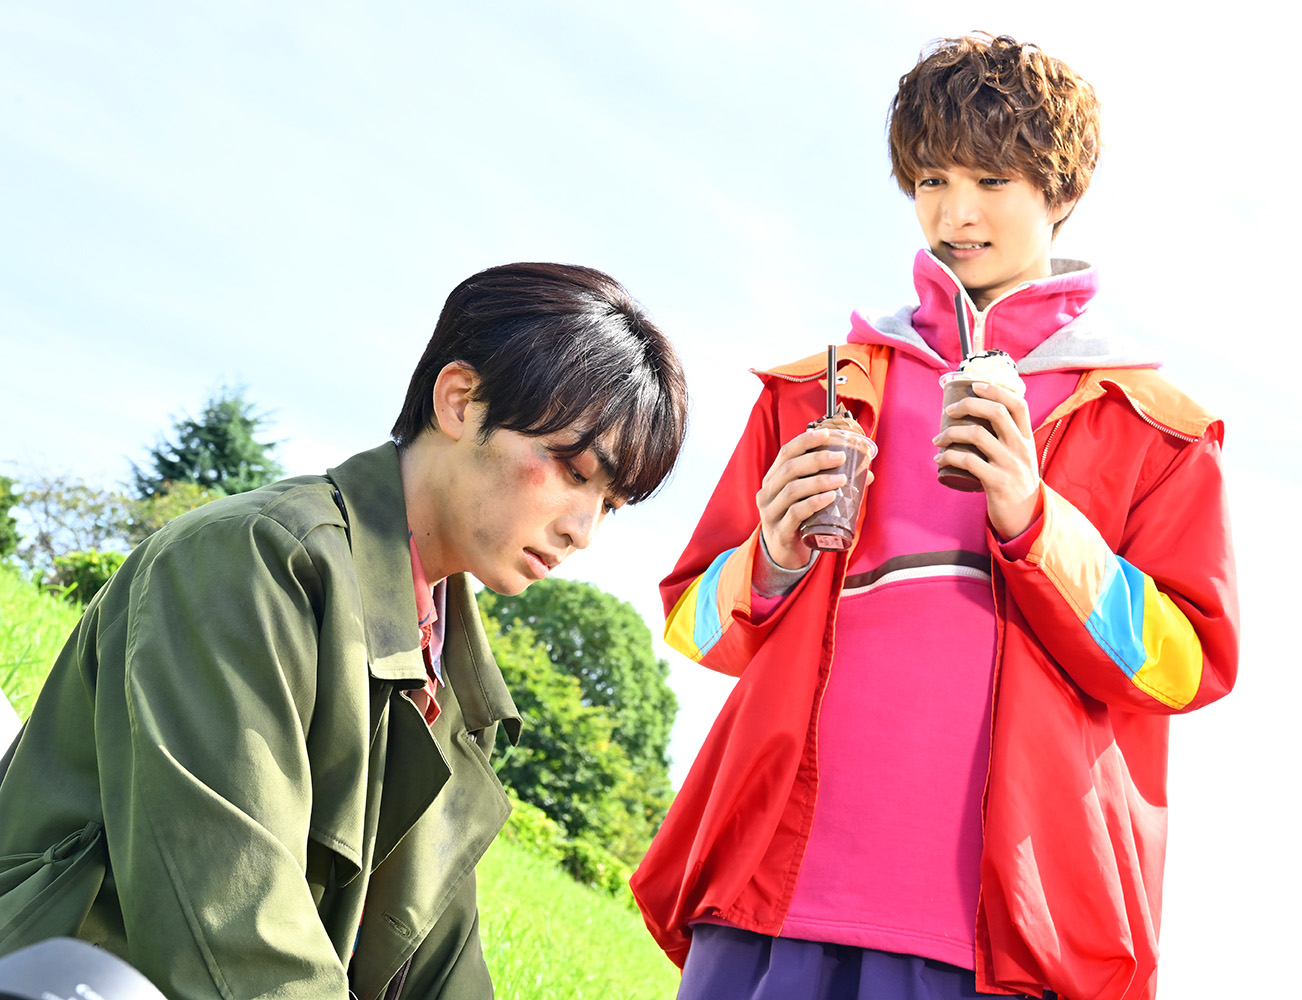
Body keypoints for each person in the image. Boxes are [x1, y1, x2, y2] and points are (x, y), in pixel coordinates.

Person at [630, 32, 1237, 1000]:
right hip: (771, 891)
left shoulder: (1156, 428)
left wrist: (1037, 522)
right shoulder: (820, 390)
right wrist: (773, 556)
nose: (956, 213)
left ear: (1061, 192)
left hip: (1003, 924)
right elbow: (692, 618)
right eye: (931, 180)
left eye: (992, 180)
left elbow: (1191, 664)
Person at [0, 262, 688, 999]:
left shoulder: (454, 675)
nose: (584, 530)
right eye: (573, 470)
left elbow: (434, 958)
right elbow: (229, 923)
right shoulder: (252, 564)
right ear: (460, 401)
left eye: (611, 504)